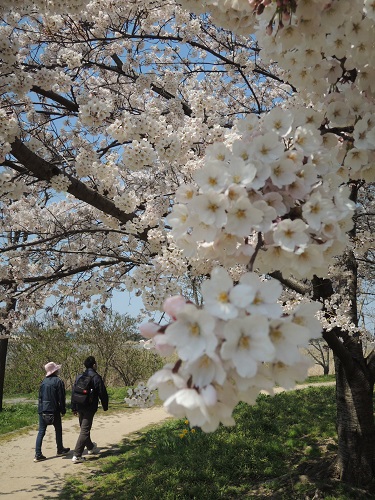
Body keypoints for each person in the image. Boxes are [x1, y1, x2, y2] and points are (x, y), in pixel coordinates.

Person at [71, 356, 108, 463]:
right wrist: (105, 406)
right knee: (85, 430)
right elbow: (102, 393)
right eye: (96, 363)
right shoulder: (96, 377)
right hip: (89, 407)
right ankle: (77, 455)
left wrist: (73, 407)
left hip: (79, 405)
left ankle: (91, 447)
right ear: (94, 365)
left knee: (83, 428)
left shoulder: (80, 376)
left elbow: (74, 392)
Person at [34, 361, 70, 462]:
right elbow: (61, 398)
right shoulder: (58, 381)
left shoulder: (43, 382)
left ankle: (37, 454)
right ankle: (60, 449)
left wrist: (40, 409)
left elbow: (40, 397)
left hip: (42, 410)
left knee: (41, 431)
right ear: (55, 371)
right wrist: (63, 409)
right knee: (58, 429)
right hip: (54, 410)